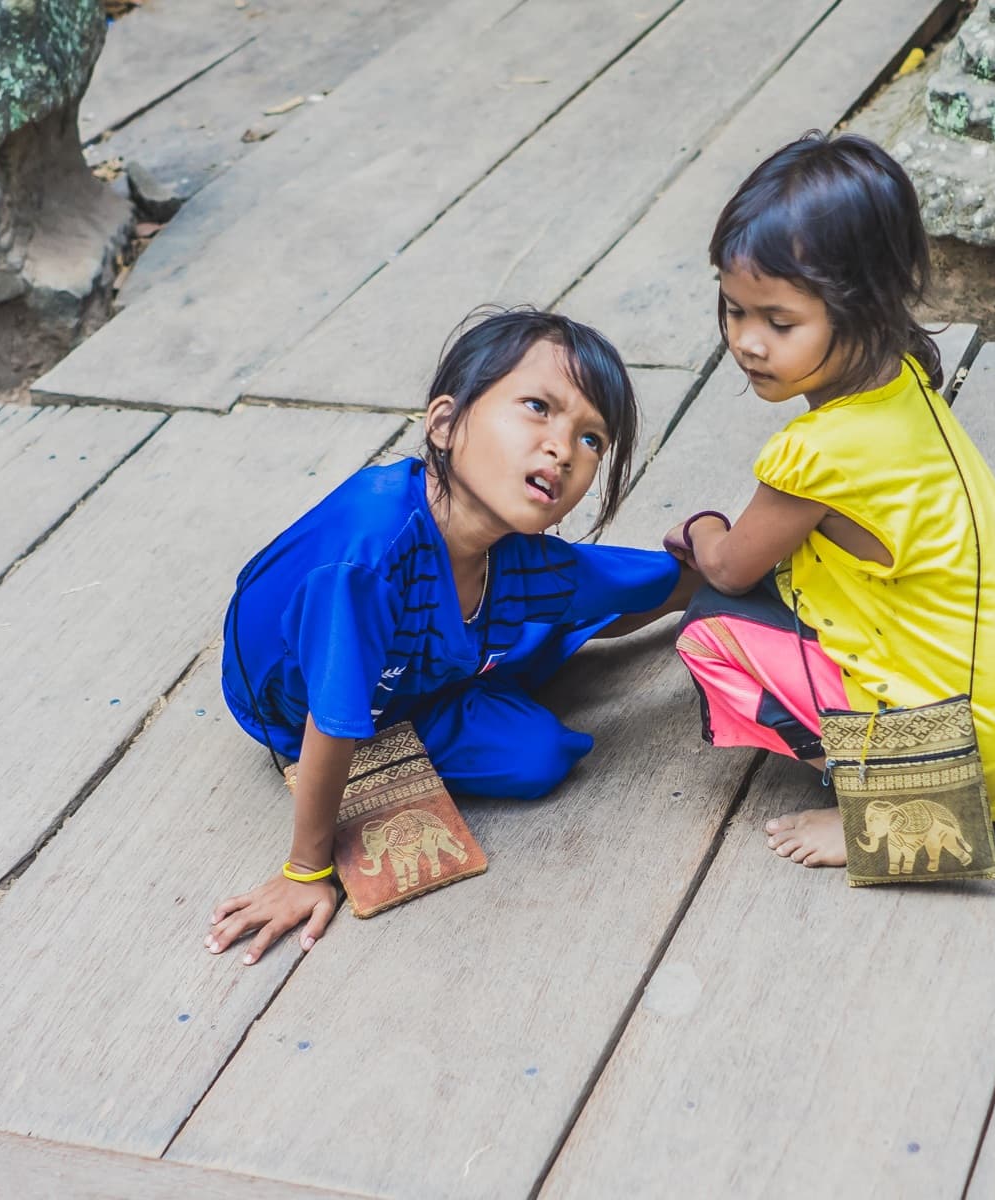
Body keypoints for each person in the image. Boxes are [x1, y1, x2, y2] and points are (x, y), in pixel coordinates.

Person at [209, 308, 691, 964]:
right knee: (519, 731)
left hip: (417, 675)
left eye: (591, 440)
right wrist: (305, 871)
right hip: (302, 711)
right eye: (537, 407)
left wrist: (721, 578)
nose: (562, 448)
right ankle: (481, 665)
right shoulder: (369, 558)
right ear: (444, 423)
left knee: (545, 735)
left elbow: (627, 587)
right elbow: (334, 718)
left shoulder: (507, 547)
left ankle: (489, 658)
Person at [666, 132, 995, 869]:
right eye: (734, 310)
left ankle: (892, 799)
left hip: (962, 754)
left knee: (709, 627)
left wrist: (700, 527)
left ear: (867, 306)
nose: (747, 342)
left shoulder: (815, 455)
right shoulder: (903, 377)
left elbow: (727, 568)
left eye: (779, 322)